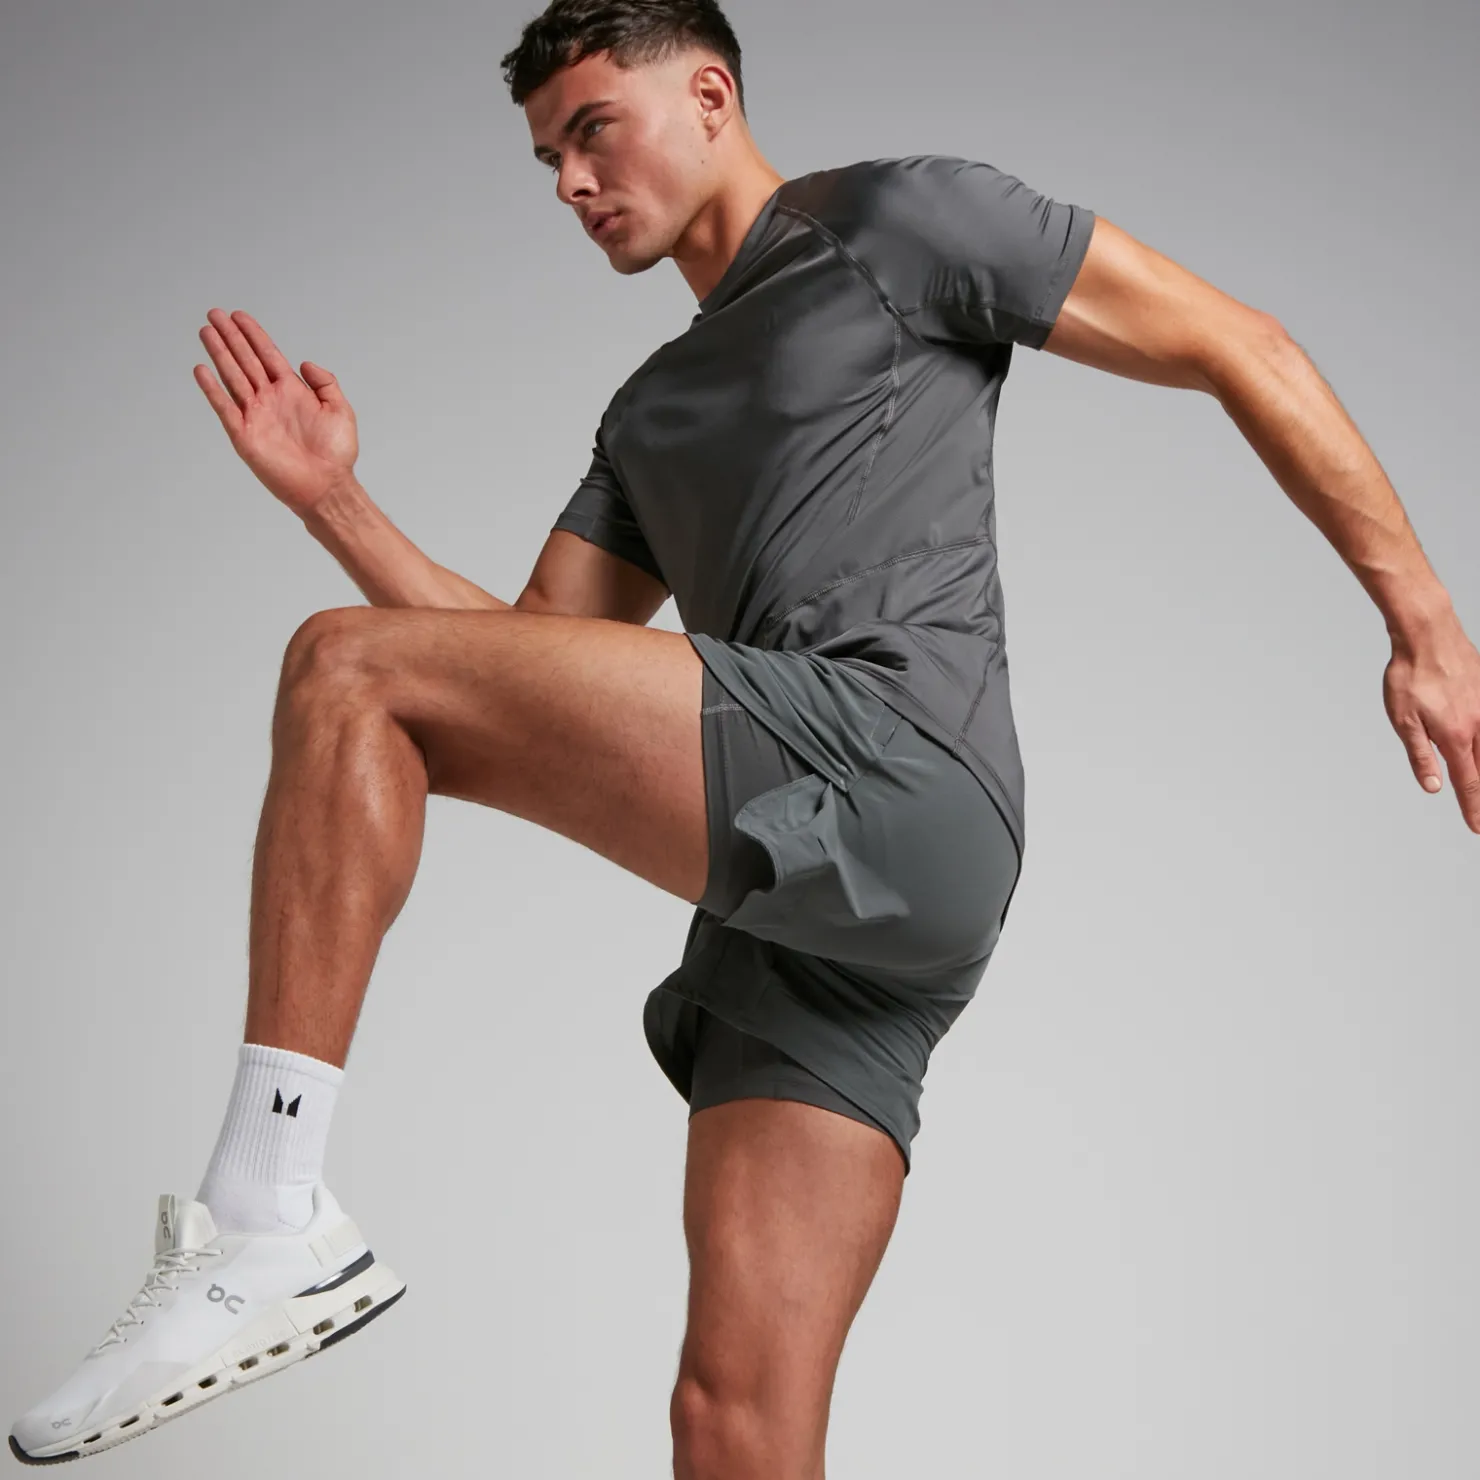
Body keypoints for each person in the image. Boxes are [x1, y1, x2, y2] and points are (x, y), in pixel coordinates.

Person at [12, 0, 1480, 1471]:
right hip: (817, 917)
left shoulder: (899, 223)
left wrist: (1423, 621)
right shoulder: (648, 410)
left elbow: (1237, 343)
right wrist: (333, 499)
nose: (574, 182)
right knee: (732, 1419)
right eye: (548, 160)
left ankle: (264, 1212)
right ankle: (276, 1234)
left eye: (594, 131)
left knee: (344, 666)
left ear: (710, 96)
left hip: (892, 766)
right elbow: (525, 661)